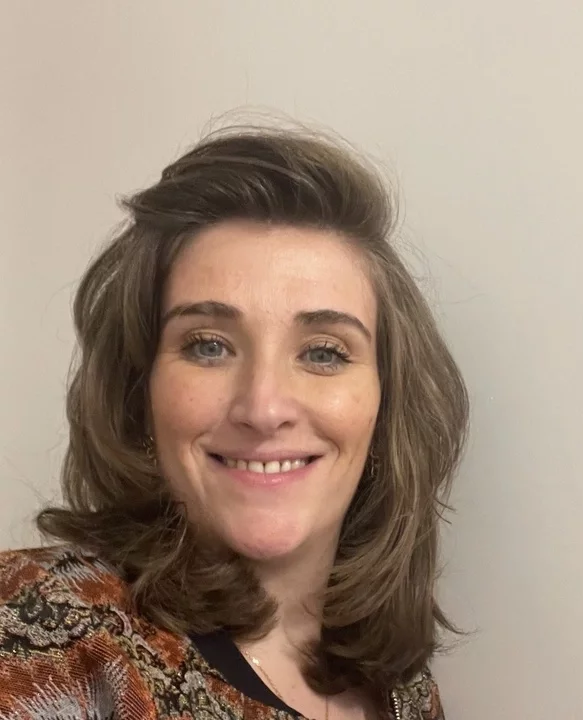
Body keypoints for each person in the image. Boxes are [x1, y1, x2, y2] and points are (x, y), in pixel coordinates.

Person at [0, 123, 469, 719]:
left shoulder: (406, 689)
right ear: (140, 393)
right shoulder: (46, 629)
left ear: (385, 406)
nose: (264, 408)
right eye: (208, 345)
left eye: (324, 353)